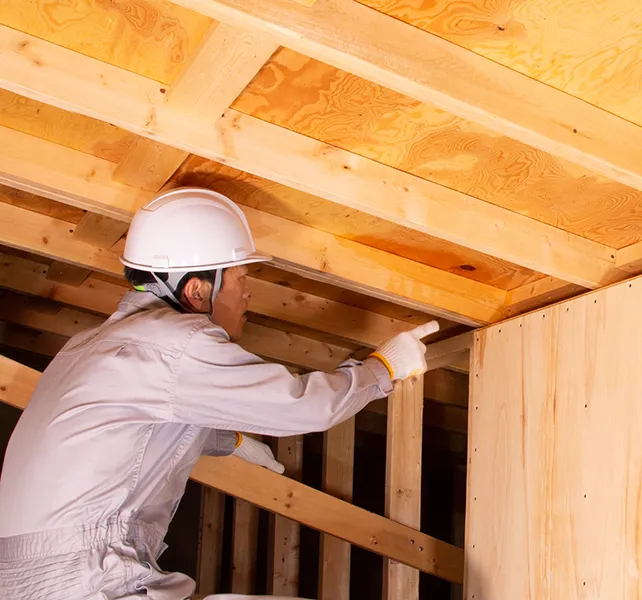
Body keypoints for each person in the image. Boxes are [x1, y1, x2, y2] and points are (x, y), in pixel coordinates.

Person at [0, 188, 439, 600]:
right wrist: (382, 369)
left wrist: (232, 442)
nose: (248, 292)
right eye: (238, 278)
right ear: (197, 289)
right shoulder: (174, 343)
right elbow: (306, 405)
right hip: (86, 579)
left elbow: (131, 427)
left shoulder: (85, 347)